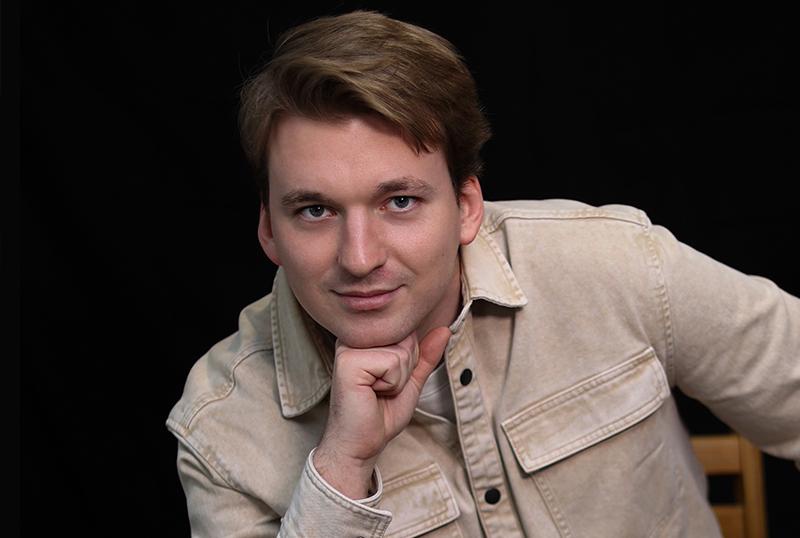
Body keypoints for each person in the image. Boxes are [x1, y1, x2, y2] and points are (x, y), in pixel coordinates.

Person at [166, 10, 800, 537]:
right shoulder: (222, 429)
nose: (359, 258)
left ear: (467, 206)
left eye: (400, 201)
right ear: (269, 230)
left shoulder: (613, 265)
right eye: (315, 210)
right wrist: (340, 468)